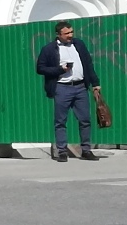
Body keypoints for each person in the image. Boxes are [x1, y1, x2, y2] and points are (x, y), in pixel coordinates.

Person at [36, 21, 103, 163]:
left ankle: (86, 150)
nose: (70, 35)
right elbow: (40, 68)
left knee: (85, 120)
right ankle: (62, 151)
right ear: (58, 34)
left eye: (71, 32)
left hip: (80, 87)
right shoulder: (49, 49)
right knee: (60, 121)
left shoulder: (78, 44)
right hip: (62, 87)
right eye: (66, 33)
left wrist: (95, 83)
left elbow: (88, 64)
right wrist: (60, 69)